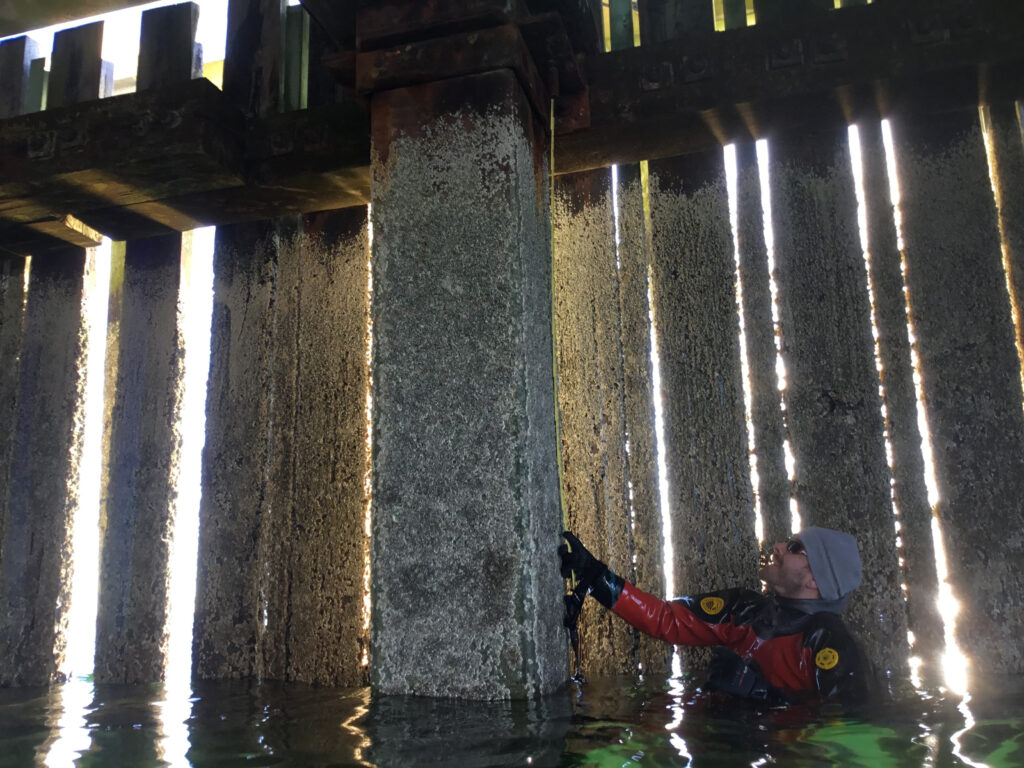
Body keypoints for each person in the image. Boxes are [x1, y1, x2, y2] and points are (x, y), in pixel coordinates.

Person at [558, 527, 873, 707]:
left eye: (793, 547)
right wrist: (594, 576)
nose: (777, 546)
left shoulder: (830, 645)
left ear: (814, 580)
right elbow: (666, 620)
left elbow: (842, 728)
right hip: (713, 738)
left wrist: (763, 695)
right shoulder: (745, 608)